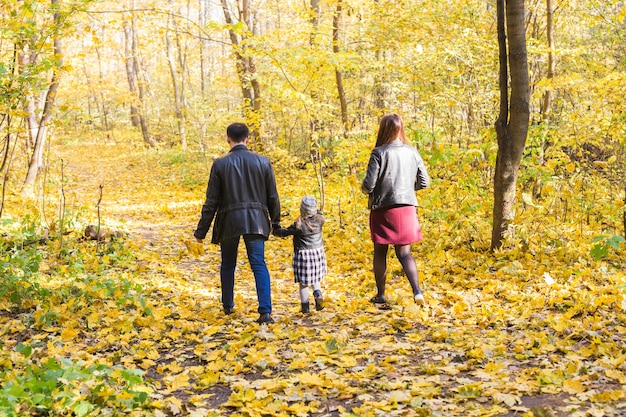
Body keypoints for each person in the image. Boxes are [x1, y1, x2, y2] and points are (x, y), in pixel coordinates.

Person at [194, 122, 280, 324]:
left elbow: (211, 202)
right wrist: (275, 222)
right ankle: (265, 312)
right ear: (248, 139)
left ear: (227, 138)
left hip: (229, 222)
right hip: (257, 221)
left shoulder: (220, 165)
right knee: (258, 264)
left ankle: (227, 306)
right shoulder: (263, 162)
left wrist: (201, 232)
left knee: (228, 264)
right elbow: (273, 197)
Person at [361, 113, 430, 307]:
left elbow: (369, 185)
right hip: (407, 208)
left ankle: (381, 294)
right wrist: (408, 190)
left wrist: (365, 190)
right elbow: (424, 182)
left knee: (380, 252)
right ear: (401, 129)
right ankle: (417, 291)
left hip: (384, 208)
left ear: (383, 129)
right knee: (405, 253)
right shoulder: (412, 152)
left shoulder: (379, 153)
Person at [273, 196, 327, 314]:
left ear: (301, 210)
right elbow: (318, 212)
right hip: (317, 253)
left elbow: (282, 233)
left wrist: (275, 227)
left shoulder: (298, 225)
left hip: (304, 256)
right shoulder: (320, 220)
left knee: (303, 284)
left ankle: (305, 308)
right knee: (315, 278)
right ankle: (318, 294)